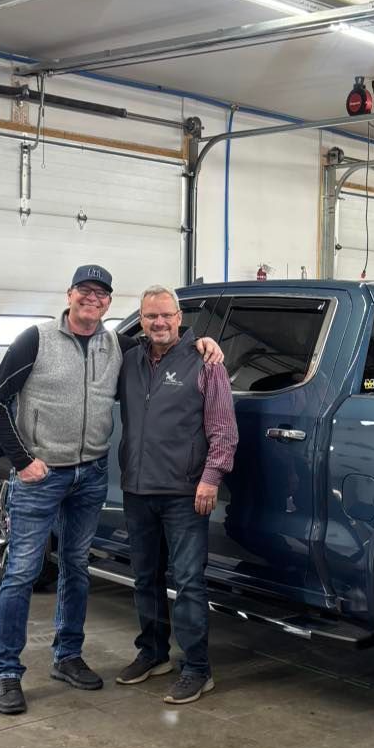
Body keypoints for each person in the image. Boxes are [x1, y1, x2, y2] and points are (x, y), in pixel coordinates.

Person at [0, 265, 224, 715]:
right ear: (70, 294)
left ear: (109, 304)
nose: (92, 299)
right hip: (43, 476)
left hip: (91, 474)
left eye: (100, 294)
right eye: (85, 291)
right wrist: (22, 461)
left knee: (76, 567)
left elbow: (165, 343)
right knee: (21, 573)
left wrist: (202, 341)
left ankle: (68, 657)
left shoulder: (116, 343)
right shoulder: (35, 340)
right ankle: (6, 672)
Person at [115, 285, 238, 704]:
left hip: (185, 492)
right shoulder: (129, 359)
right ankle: (152, 654)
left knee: (187, 582)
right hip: (137, 489)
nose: (159, 323)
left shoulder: (205, 361)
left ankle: (198, 669)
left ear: (180, 317)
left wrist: (210, 478)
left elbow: (223, 429)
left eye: (166, 315)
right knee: (144, 577)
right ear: (142, 321)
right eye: (150, 317)